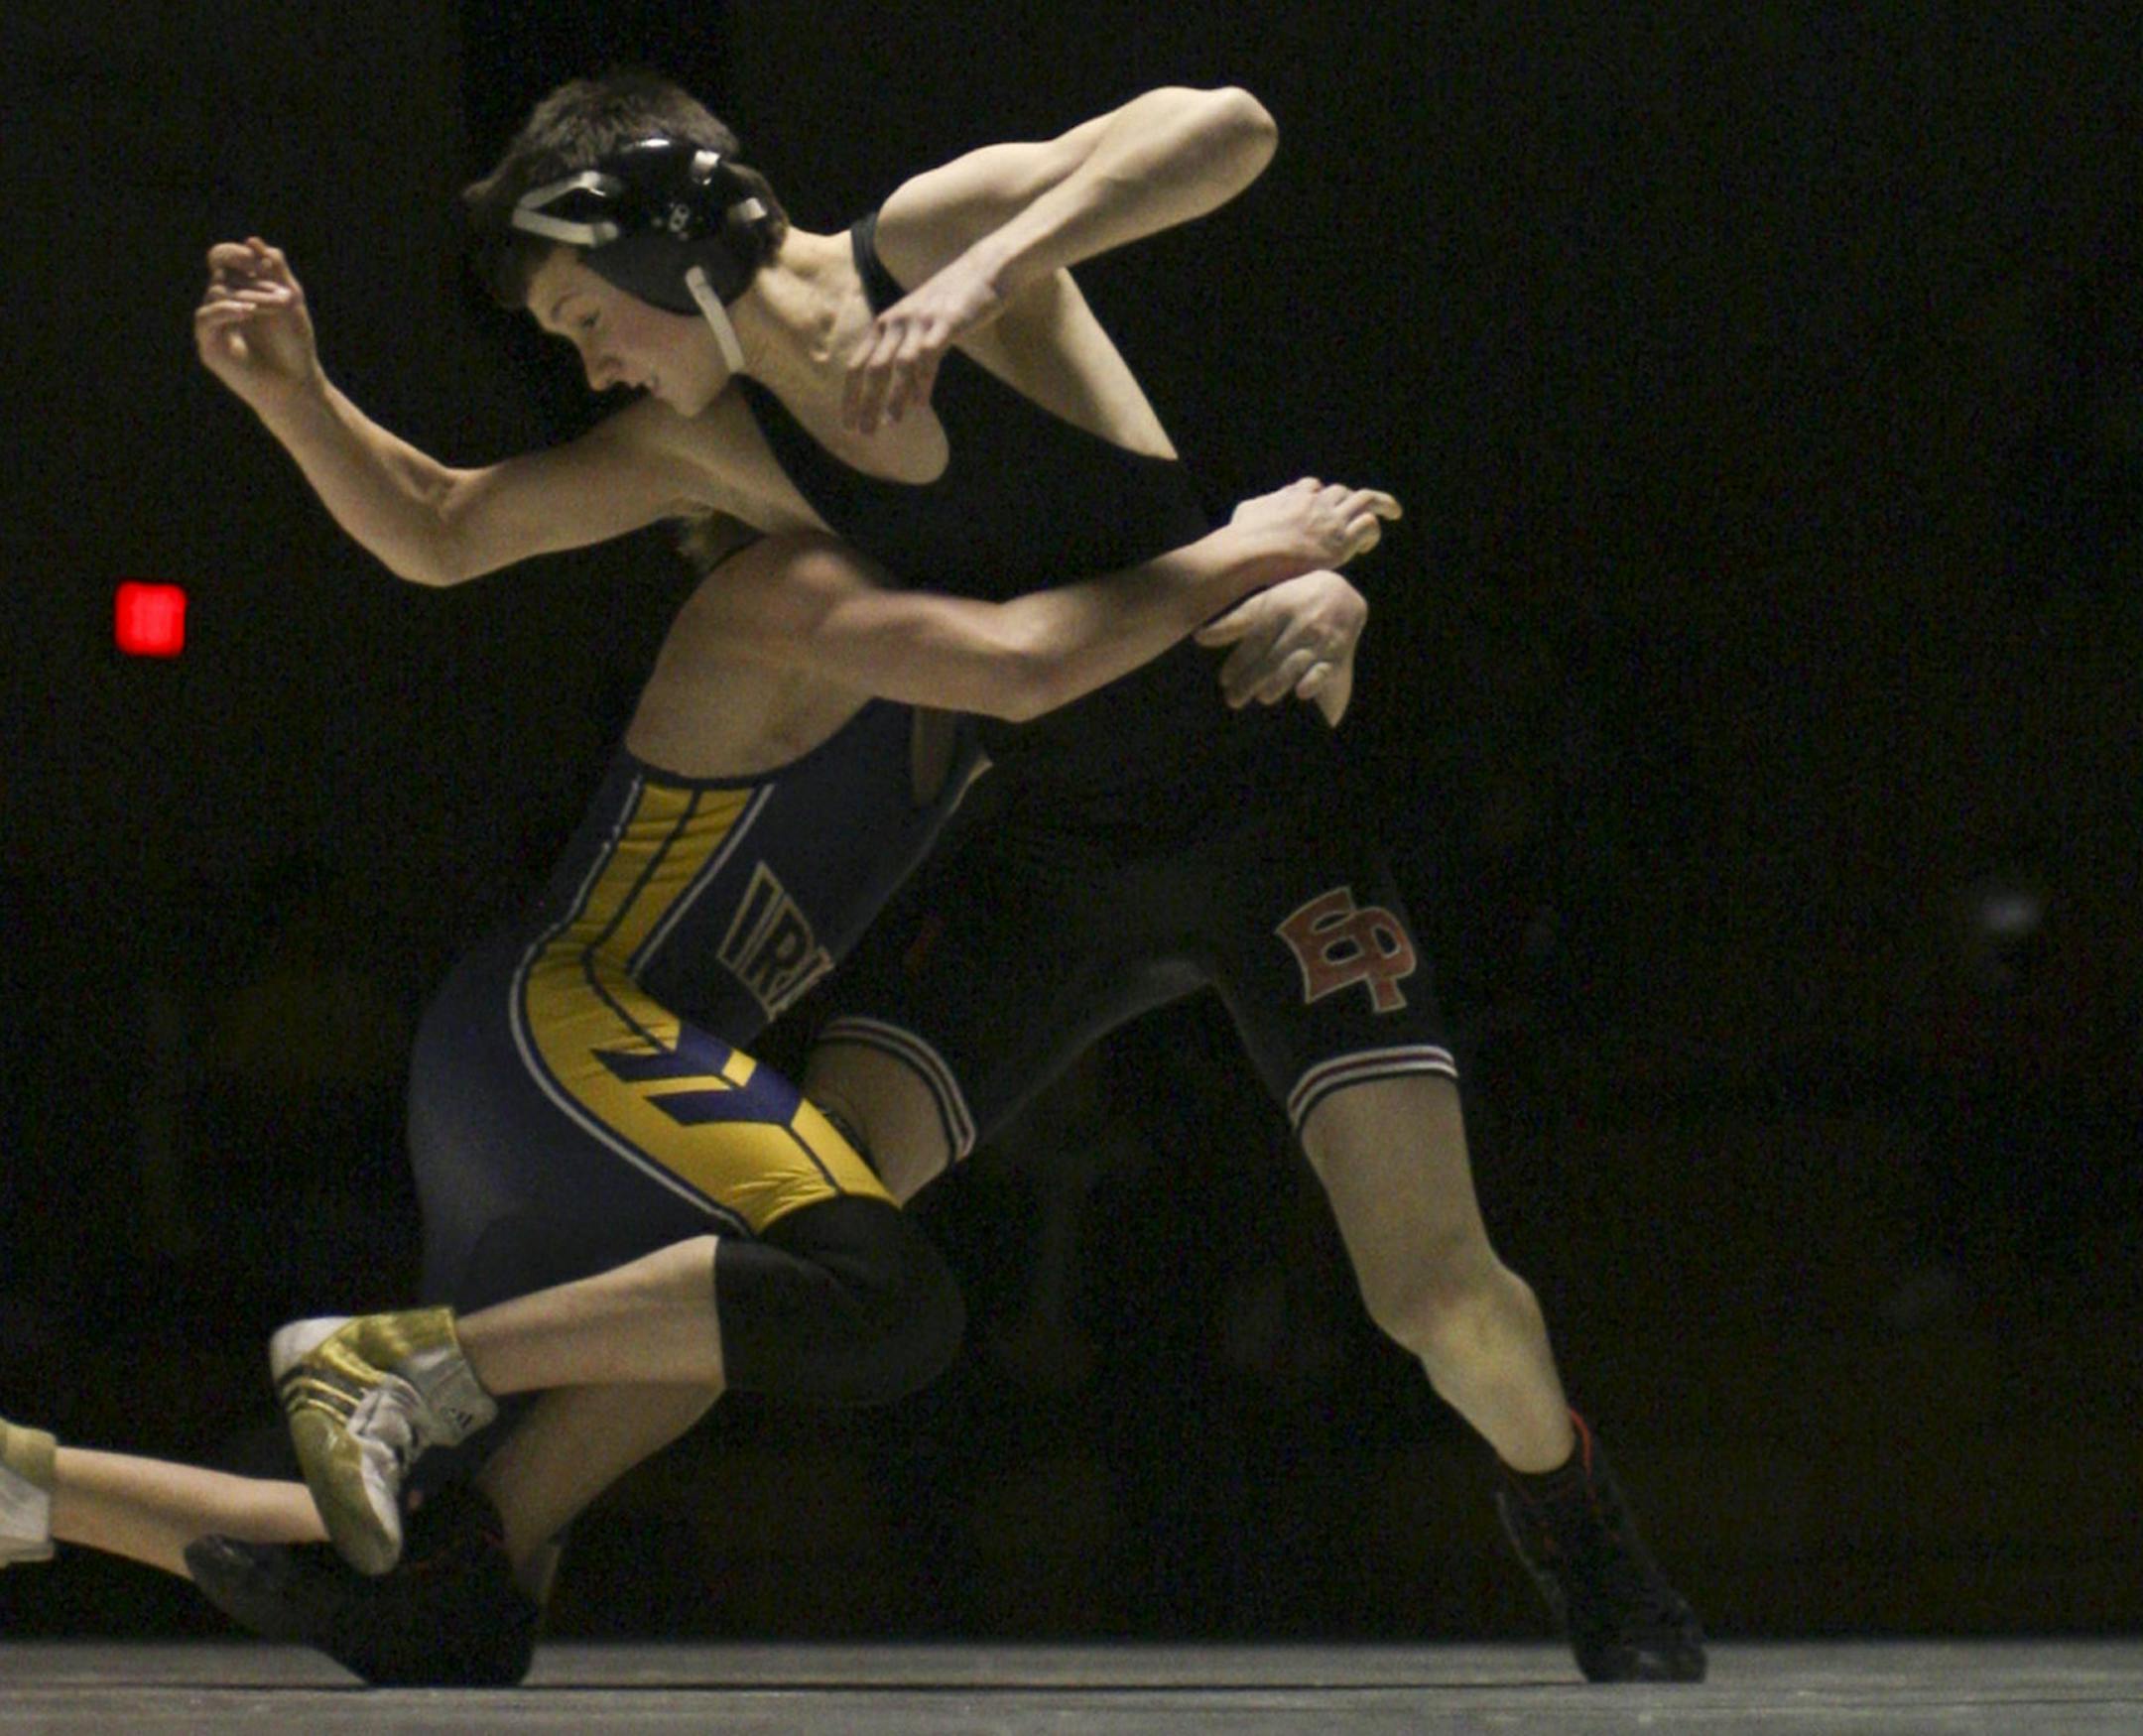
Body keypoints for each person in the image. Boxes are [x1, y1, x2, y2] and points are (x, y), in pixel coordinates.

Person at [189, 70, 1701, 1682]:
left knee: (1438, 1300)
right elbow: (441, 527)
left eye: (585, 317)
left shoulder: (927, 242)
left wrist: (991, 273)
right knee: (800, 1245)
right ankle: (480, 1554)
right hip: (1044, 853)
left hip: (1259, 812)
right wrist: (293, 393)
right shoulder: (721, 436)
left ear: (666, 245)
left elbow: (1235, 125)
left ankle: (1570, 1509)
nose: (594, 363)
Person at [0, 482, 1391, 1676]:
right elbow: (1054, 645)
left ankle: (20, 1483)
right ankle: (392, 1359)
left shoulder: (962, 655)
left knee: (436, 1586)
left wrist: (1327, 600)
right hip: (562, 1032)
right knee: (877, 1293)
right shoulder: (797, 589)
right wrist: (1251, 549)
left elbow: (1141, 653)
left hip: (619, 1088)